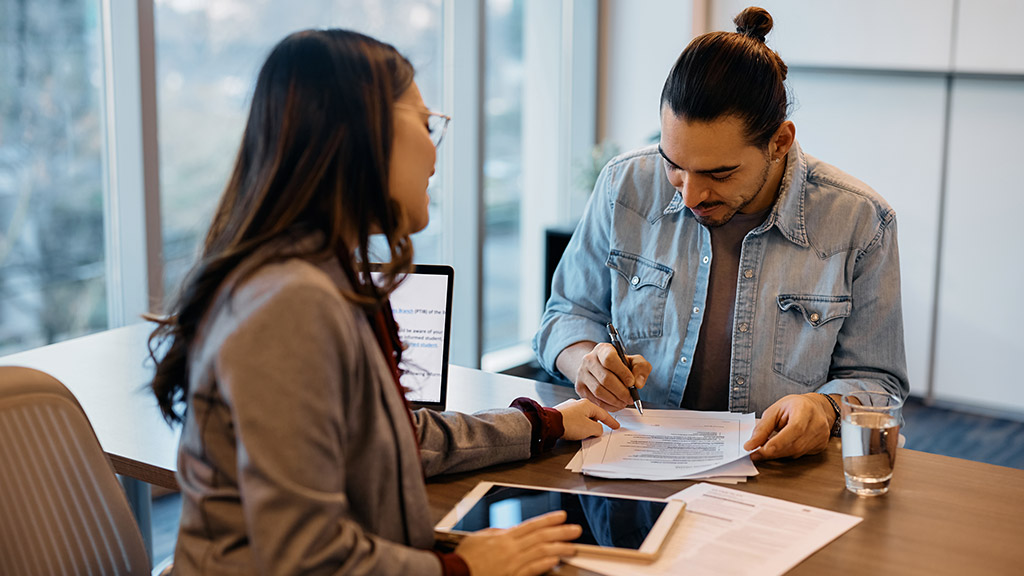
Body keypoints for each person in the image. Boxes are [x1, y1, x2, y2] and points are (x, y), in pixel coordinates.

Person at [148, 29, 618, 576]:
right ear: (362, 132)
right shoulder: (291, 305)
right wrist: (463, 568)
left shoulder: (323, 278)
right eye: (424, 123)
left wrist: (543, 423)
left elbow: (393, 438)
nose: (436, 154)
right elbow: (306, 557)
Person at [533, 6, 909, 462]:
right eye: (673, 164)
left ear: (780, 142)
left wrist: (824, 408)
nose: (691, 194)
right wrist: (585, 361)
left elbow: (878, 380)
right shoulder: (624, 186)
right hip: (632, 471)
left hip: (778, 485)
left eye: (720, 173)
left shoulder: (860, 222)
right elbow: (566, 314)